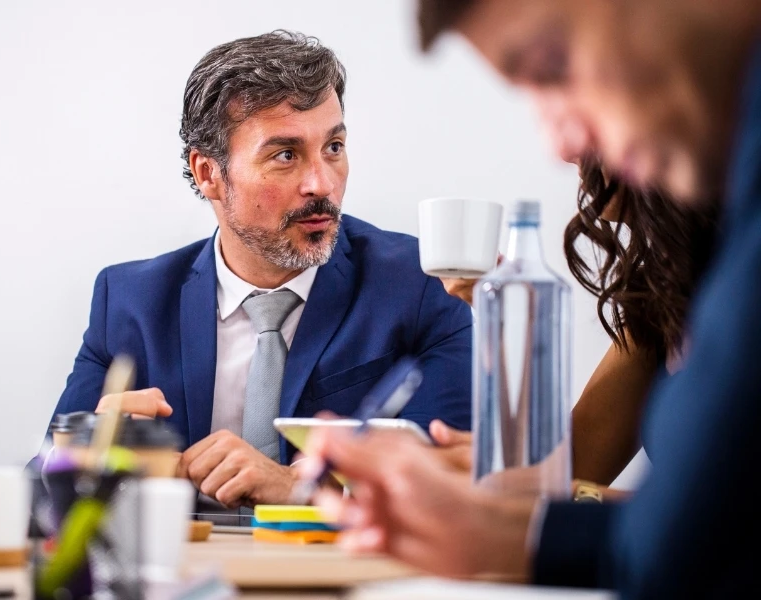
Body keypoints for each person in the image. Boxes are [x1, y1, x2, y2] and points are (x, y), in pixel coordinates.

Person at [305, 0, 761, 594]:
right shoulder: (677, 285)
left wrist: (517, 513)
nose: (562, 144)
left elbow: (670, 535)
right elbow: (583, 481)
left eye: (553, 65)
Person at [51, 31, 473, 509]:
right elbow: (37, 498)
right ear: (209, 173)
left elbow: (457, 490)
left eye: (333, 147)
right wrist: (87, 460)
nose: (321, 183)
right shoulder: (127, 303)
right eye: (285, 156)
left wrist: (301, 490)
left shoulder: (422, 285)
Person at [437, 158, 717, 491]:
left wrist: (571, 500)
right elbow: (577, 465)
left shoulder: (740, 273)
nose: (567, 154)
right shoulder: (664, 294)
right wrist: (508, 317)